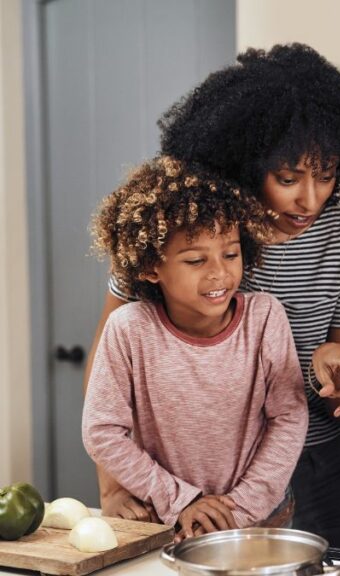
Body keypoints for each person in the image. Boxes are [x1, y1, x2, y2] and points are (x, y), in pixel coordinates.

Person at [84, 44, 340, 549]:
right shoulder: (186, 226)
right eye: (288, 178)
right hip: (193, 479)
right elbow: (108, 365)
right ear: (248, 163)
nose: (310, 198)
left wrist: (332, 372)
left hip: (326, 467)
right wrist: (116, 484)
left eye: (327, 173)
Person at [83, 156, 308, 541]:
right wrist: (181, 501)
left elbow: (288, 419)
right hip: (166, 524)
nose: (219, 272)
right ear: (152, 267)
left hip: (258, 523)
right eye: (196, 260)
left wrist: (236, 510)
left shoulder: (265, 318)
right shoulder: (130, 329)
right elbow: (102, 430)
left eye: (231, 254)